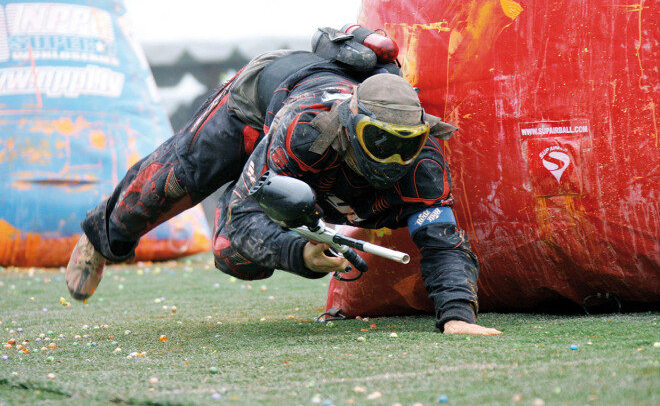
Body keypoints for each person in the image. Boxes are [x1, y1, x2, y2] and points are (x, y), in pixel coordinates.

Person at [66, 34, 502, 336]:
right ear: (351, 127)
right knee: (175, 184)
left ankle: (253, 186)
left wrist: (457, 315)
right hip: (257, 104)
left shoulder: (423, 164)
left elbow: (442, 240)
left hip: (294, 148)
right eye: (379, 141)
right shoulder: (308, 133)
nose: (392, 158)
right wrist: (300, 255)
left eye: (404, 145)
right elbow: (238, 230)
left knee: (245, 252)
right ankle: (98, 239)